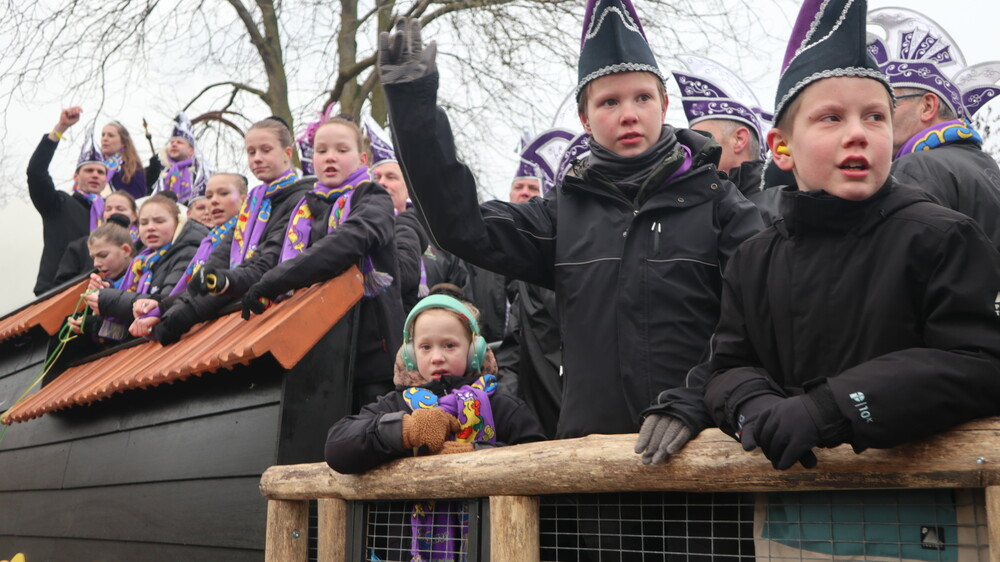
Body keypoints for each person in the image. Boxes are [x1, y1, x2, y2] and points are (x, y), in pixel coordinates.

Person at [677, 0, 1000, 559]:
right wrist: (751, 405)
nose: (859, 134)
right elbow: (727, 365)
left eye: (875, 117)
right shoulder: (755, 258)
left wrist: (834, 407)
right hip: (790, 524)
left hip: (929, 523)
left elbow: (980, 362)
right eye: (831, 118)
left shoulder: (941, 236)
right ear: (782, 147)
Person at [379, 1, 762, 440]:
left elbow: (751, 325)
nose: (629, 114)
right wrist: (413, 113)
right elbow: (461, 228)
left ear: (664, 104)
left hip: (701, 450)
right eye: (609, 101)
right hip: (589, 460)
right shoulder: (561, 215)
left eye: (642, 97)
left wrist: (690, 403)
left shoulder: (721, 205)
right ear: (586, 118)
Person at [185, 116, 402, 408]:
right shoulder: (305, 208)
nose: (330, 157)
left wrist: (275, 281)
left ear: (363, 159)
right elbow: (266, 261)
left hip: (371, 349)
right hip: (319, 349)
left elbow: (346, 242)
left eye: (341, 150)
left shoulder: (374, 197)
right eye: (321, 150)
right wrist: (221, 282)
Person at [325, 293, 545, 560]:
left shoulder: (503, 406)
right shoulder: (393, 405)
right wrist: (404, 430)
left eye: (450, 345)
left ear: (474, 350)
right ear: (410, 354)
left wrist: (477, 454)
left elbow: (539, 463)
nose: (437, 357)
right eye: (425, 347)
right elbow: (337, 446)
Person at [150, 117, 312, 345]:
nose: (257, 158)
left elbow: (264, 264)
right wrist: (163, 306)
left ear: (287, 153)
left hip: (280, 315)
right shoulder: (254, 203)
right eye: (251, 152)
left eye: (266, 150)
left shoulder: (299, 199)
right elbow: (219, 261)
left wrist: (189, 311)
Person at [868, 7, 1000, 250]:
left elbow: (900, 258)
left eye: (888, 105)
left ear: (928, 106)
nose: (876, 119)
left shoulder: (917, 167)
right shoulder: (986, 166)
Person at [129, 173, 248, 337]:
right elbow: (194, 289)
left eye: (223, 193)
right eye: (209, 196)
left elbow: (223, 285)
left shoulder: (249, 231)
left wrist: (166, 314)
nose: (213, 201)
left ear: (244, 198)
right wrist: (159, 307)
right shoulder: (209, 241)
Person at [83, 194, 207, 339]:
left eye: (159, 221)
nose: (150, 228)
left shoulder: (189, 253)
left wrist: (109, 299)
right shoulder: (143, 260)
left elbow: (165, 303)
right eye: (144, 223)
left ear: (177, 222)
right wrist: (106, 292)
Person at [28, 107, 108, 296]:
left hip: (99, 294)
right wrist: (60, 129)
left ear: (105, 180)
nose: (95, 175)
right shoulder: (59, 203)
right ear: (76, 177)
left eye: (100, 172)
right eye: (89, 170)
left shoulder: (110, 213)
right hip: (55, 290)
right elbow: (36, 173)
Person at [671, 55, 770, 199]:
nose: (693, 149)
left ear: (739, 139)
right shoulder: (705, 204)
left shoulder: (782, 204)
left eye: (704, 138)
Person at [364, 114, 431, 314]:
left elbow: (405, 276)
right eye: (376, 177)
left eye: (391, 177)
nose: (382, 182)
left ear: (408, 189)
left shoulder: (426, 232)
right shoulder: (357, 223)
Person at [53, 190, 139, 286]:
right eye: (108, 209)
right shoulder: (81, 246)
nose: (113, 213)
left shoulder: (146, 248)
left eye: (120, 209)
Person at [147, 112, 211, 205]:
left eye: (179, 142)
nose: (174, 144)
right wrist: (152, 172)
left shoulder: (199, 171)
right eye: (172, 142)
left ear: (191, 151)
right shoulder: (162, 171)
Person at [100, 121, 147, 199]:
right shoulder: (94, 165)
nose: (105, 138)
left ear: (123, 142)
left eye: (110, 135)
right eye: (103, 135)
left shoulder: (132, 167)